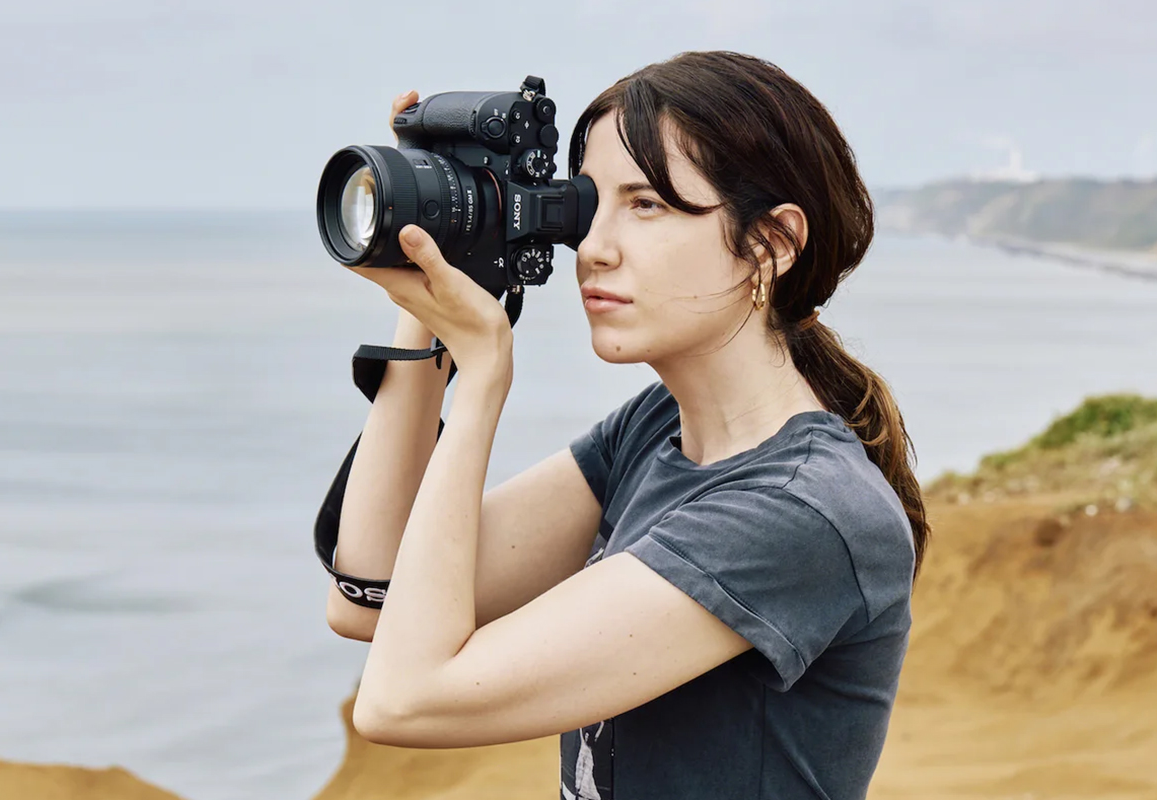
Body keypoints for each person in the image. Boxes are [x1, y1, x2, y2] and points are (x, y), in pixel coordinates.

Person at [324, 50, 930, 800]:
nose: (595, 248)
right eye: (591, 203)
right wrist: (422, 298)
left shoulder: (801, 512)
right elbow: (367, 596)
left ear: (770, 243)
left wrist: (482, 382)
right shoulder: (653, 432)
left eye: (646, 205)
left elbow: (404, 697)